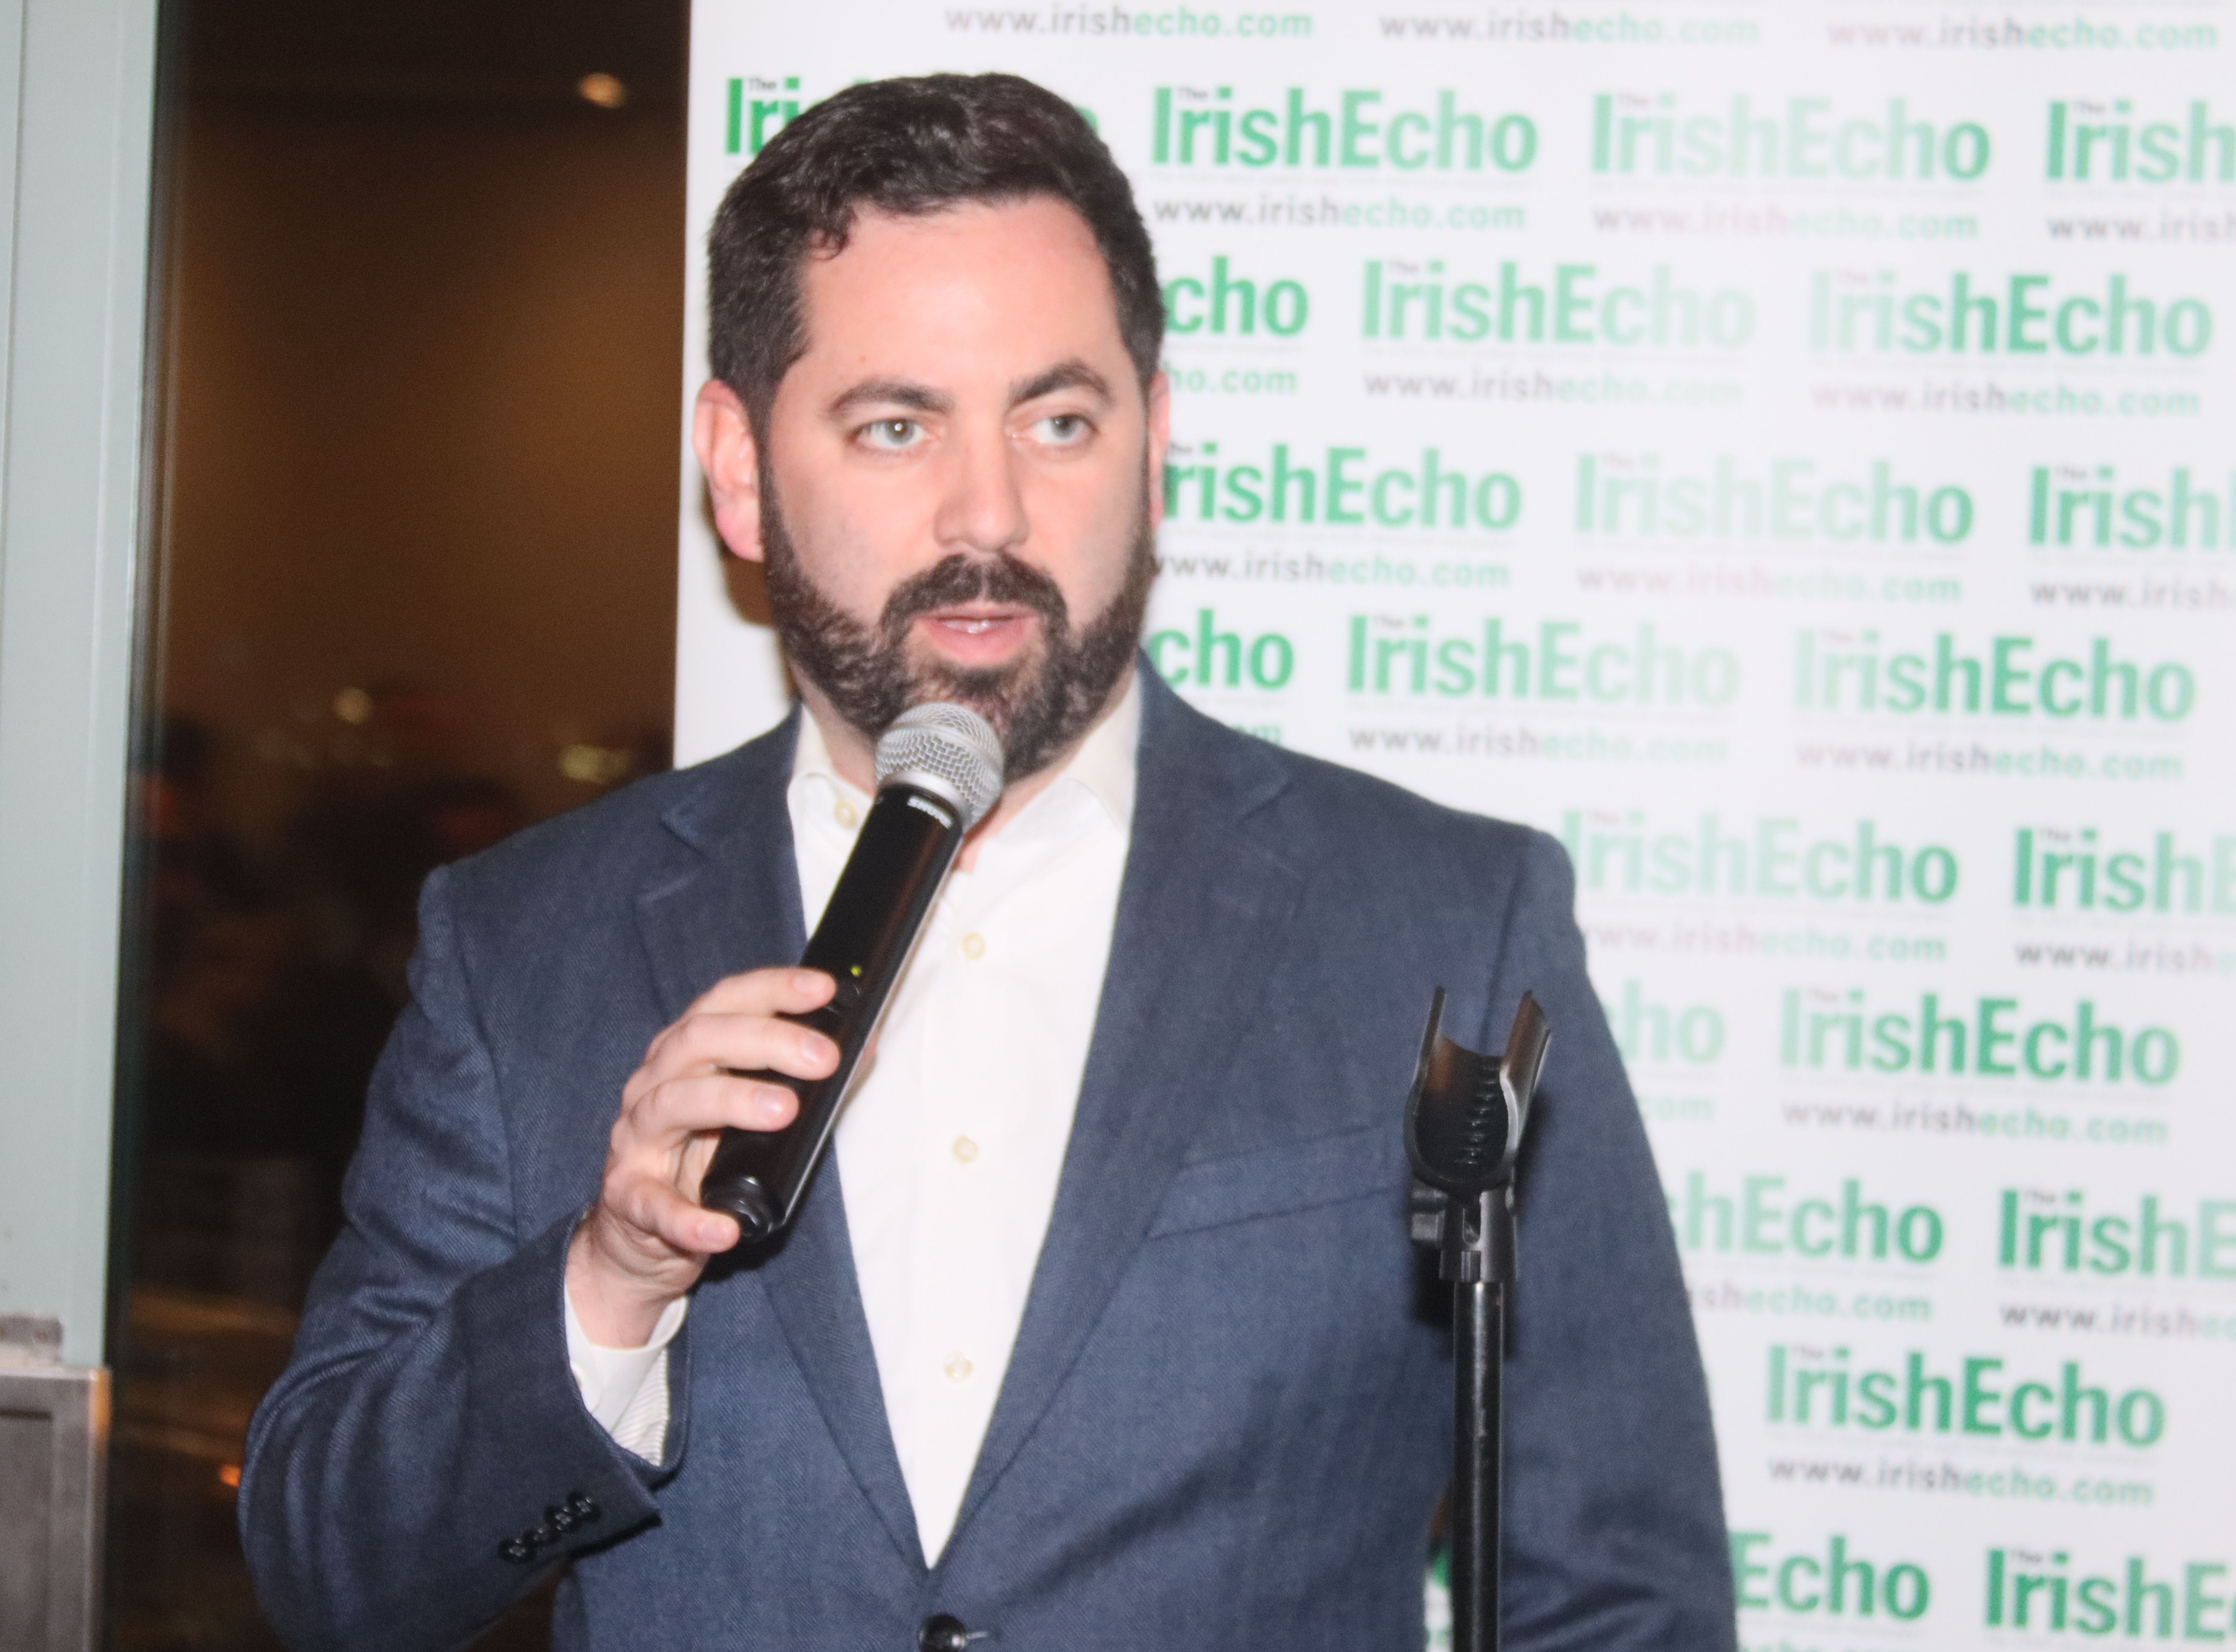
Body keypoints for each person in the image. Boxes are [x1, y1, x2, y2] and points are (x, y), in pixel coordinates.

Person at [242, 73, 1732, 1652]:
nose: (990, 512)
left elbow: (1621, 1595)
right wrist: (606, 1285)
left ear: (1155, 440)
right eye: (897, 425)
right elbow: (335, 1580)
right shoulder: (527, 939)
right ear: (739, 470)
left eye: (1059, 418)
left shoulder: (1444, 923)